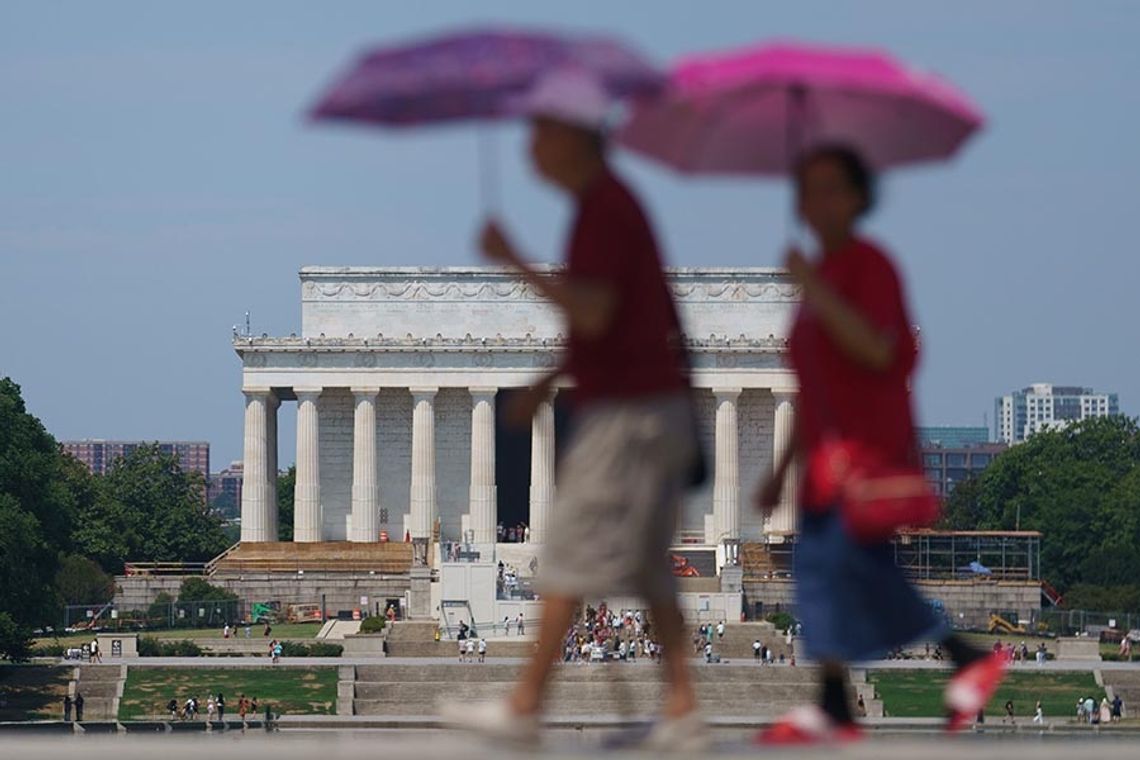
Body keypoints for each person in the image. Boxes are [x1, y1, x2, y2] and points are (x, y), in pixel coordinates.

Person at [440, 68, 705, 752]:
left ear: (573, 136)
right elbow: (613, 325)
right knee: (649, 567)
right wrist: (546, 379)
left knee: (563, 555)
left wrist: (513, 262)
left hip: (627, 415)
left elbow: (594, 309)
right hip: (652, 403)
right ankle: (681, 705)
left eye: (539, 133)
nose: (529, 150)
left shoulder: (602, 211)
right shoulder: (616, 206)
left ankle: (525, 705)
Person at [752, 145, 1006, 745]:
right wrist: (780, 467)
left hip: (863, 459)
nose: (816, 202)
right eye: (807, 190)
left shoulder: (870, 266)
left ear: (861, 198)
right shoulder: (824, 278)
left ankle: (949, 660)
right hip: (823, 464)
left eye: (831, 188)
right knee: (818, 575)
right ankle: (841, 701)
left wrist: (813, 285)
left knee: (853, 572)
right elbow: (810, 389)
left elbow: (879, 352)